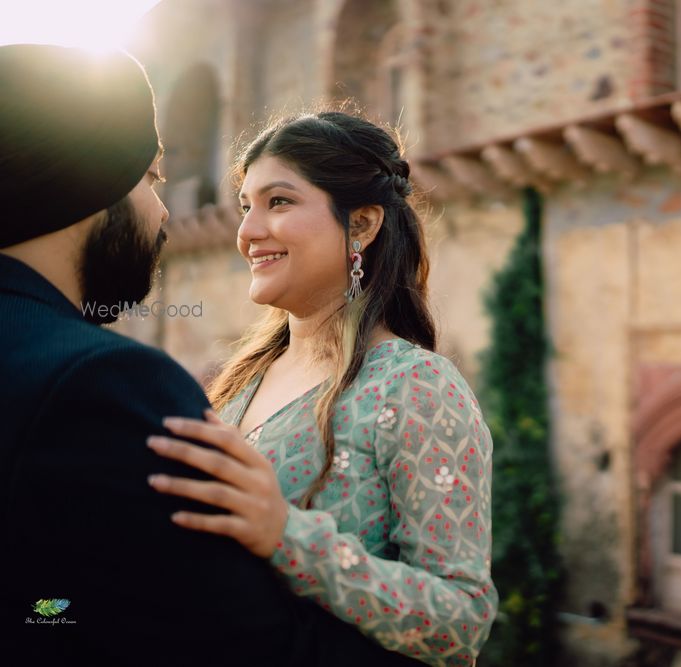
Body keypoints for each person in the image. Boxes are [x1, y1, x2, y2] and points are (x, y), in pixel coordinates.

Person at [0, 44, 417, 666]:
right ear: (91, 183)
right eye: (151, 177)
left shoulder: (415, 382)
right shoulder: (104, 383)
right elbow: (234, 644)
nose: (164, 210)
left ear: (362, 225)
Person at [144, 111, 499, 666]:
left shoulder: (415, 386)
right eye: (246, 206)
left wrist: (287, 535)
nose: (248, 232)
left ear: (361, 224)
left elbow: (461, 622)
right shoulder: (241, 380)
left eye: (278, 202)